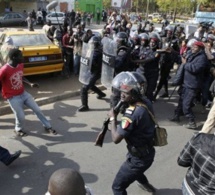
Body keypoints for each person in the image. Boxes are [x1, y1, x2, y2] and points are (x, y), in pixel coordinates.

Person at [108, 71, 156, 195]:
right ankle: (147, 186)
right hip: (146, 152)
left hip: (138, 158)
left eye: (125, 92)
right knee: (136, 172)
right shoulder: (146, 102)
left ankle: (146, 184)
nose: (122, 95)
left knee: (117, 187)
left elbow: (116, 138)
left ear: (134, 94)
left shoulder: (132, 114)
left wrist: (113, 118)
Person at [0, 48, 57, 137]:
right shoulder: (4, 70)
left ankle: (48, 126)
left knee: (37, 110)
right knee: (21, 116)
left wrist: (30, 83)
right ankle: (18, 129)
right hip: (12, 97)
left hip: (23, 93)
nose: (23, 57)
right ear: (14, 57)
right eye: (20, 56)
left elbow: (20, 76)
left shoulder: (20, 65)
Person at [169, 41, 208, 129]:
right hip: (185, 83)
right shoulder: (191, 54)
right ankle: (176, 116)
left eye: (195, 47)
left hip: (192, 85)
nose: (193, 48)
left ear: (200, 49)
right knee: (181, 102)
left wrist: (185, 63)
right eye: (192, 46)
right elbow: (181, 59)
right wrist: (173, 52)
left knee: (186, 105)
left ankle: (192, 122)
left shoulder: (202, 58)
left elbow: (195, 69)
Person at [78, 36, 106, 112]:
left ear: (96, 44)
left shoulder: (97, 53)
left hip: (96, 73)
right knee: (91, 85)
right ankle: (101, 94)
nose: (91, 45)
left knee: (84, 88)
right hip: (92, 72)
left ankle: (85, 105)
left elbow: (91, 63)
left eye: (92, 43)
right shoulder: (93, 51)